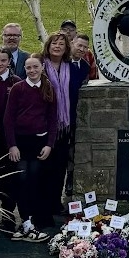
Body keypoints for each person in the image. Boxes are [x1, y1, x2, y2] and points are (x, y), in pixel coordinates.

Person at [5, 56, 58, 240]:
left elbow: (53, 119)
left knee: (35, 181)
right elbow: (8, 119)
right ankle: (25, 221)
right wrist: (12, 145)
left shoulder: (48, 88)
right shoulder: (18, 89)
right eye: (28, 68)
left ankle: (32, 222)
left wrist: (49, 144)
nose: (32, 70)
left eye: (35, 67)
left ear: (42, 67)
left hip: (39, 143)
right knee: (21, 179)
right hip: (20, 143)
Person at [42, 32, 89, 202]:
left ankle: (54, 203)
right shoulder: (41, 65)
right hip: (44, 124)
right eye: (54, 43)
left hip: (64, 125)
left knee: (60, 166)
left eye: (61, 44)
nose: (57, 47)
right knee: (44, 167)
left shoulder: (71, 67)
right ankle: (42, 206)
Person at [0, 48, 23, 233]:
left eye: (3, 61)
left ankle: (7, 220)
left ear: (9, 62)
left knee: (9, 181)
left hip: (9, 141)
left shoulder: (16, 83)